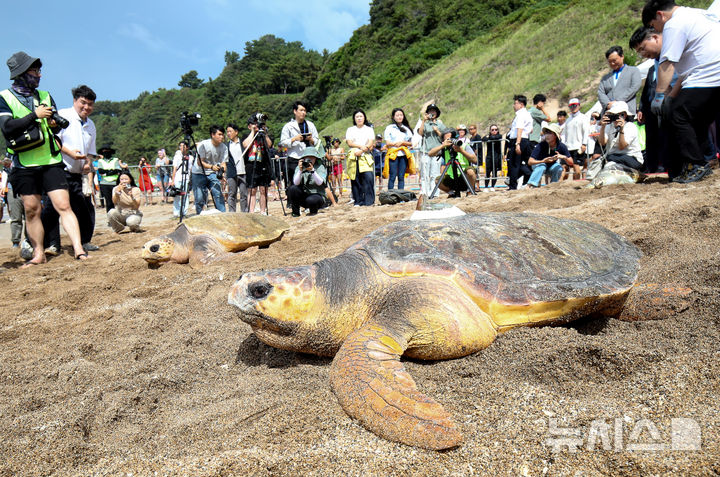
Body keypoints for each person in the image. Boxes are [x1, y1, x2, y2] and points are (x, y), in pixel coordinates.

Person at [0, 51, 88, 265]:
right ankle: (39, 254)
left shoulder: (46, 95)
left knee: (63, 205)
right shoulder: (5, 97)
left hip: (50, 160)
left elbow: (55, 129)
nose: (39, 75)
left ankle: (79, 249)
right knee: (32, 210)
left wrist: (53, 123)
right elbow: (7, 127)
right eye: (34, 71)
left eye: (39, 70)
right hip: (24, 163)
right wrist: (34, 116)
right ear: (21, 73)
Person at [642, 0, 720, 183]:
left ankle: (696, 165)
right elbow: (685, 70)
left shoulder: (673, 23)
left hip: (708, 75)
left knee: (678, 114)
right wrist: (671, 95)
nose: (657, 30)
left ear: (660, 15)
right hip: (711, 75)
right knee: (697, 121)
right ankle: (699, 163)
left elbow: (667, 63)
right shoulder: (698, 14)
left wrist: (659, 96)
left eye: (654, 26)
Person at [39, 84, 99, 254]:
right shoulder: (63, 116)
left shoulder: (91, 125)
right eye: (83, 103)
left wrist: (88, 163)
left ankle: (85, 240)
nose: (86, 107)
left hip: (78, 173)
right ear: (75, 100)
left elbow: (90, 151)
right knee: (53, 208)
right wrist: (70, 153)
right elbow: (54, 140)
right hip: (59, 169)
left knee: (85, 207)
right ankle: (51, 244)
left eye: (90, 104)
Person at [630, 25, 679, 175]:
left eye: (643, 49)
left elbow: (682, 76)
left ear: (655, 38)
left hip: (679, 97)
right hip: (658, 105)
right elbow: (646, 92)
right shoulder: (655, 63)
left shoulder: (672, 52)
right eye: (639, 52)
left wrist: (667, 97)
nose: (643, 54)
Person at [279, 101, 318, 208]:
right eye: (301, 110)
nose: (303, 113)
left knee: (307, 180)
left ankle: (306, 201)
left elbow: (317, 140)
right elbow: (283, 142)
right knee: (293, 181)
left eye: (305, 110)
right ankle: (291, 202)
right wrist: (294, 139)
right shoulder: (288, 126)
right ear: (295, 111)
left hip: (307, 156)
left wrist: (311, 139)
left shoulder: (310, 125)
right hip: (294, 157)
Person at [428, 127, 478, 197]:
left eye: (451, 139)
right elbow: (430, 153)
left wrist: (462, 151)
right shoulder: (444, 148)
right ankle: (452, 193)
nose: (450, 141)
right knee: (437, 181)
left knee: (470, 171)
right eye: (447, 139)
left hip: (464, 176)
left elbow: (475, 160)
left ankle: (470, 191)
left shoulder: (463, 145)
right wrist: (442, 146)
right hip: (452, 178)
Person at [596, 101, 645, 171]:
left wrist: (621, 130)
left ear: (624, 115)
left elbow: (622, 146)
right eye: (613, 114)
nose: (616, 117)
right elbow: (602, 143)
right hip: (613, 157)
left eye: (618, 114)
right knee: (604, 159)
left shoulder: (631, 127)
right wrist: (603, 127)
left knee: (609, 158)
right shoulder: (609, 126)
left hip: (632, 158)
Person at [598, 46, 642, 116]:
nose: (612, 63)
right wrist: (607, 104)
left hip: (626, 112)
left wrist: (617, 102)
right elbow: (601, 93)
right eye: (610, 62)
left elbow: (635, 87)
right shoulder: (605, 78)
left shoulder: (633, 71)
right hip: (609, 113)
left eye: (614, 60)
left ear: (622, 57)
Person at [243, 114, 273, 214]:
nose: (257, 125)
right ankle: (251, 211)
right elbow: (245, 144)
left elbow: (269, 145)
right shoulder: (247, 136)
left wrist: (265, 133)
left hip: (263, 163)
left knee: (263, 189)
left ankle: (263, 211)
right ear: (249, 126)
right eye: (254, 124)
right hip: (251, 165)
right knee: (252, 189)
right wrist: (253, 131)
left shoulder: (262, 135)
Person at [193, 125, 227, 214]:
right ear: (212, 135)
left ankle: (223, 214)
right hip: (198, 172)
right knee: (200, 197)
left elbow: (224, 163)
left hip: (212, 173)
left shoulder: (224, 147)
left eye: (222, 134)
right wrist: (212, 167)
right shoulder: (203, 145)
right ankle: (199, 216)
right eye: (219, 134)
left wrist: (222, 173)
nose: (221, 137)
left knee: (218, 194)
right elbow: (199, 162)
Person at [345, 109, 376, 206]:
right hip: (354, 155)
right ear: (354, 119)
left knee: (368, 177)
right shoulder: (350, 129)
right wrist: (359, 147)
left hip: (365, 154)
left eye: (361, 116)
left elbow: (370, 142)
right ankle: (358, 201)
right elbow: (349, 142)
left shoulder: (369, 129)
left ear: (364, 117)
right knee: (355, 178)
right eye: (357, 117)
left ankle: (369, 201)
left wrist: (363, 149)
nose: (359, 118)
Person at [288, 147, 329, 217]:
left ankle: (313, 211)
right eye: (307, 157)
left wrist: (313, 171)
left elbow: (320, 182)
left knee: (311, 200)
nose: (310, 160)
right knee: (292, 188)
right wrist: (300, 171)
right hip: (305, 194)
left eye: (312, 157)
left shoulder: (320, 167)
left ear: (316, 158)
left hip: (317, 195)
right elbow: (296, 183)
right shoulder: (300, 167)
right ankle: (295, 212)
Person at [417, 102, 446, 196]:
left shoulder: (440, 124)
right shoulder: (425, 123)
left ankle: (434, 192)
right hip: (425, 151)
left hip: (436, 152)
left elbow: (444, 136)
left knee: (435, 173)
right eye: (430, 111)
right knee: (425, 173)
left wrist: (437, 130)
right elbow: (420, 133)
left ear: (437, 113)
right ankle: (425, 192)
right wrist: (423, 121)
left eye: (433, 111)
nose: (432, 113)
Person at [383, 108, 414, 190]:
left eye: (401, 115)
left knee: (401, 176)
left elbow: (412, 142)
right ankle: (390, 193)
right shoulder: (389, 128)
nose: (399, 117)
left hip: (403, 154)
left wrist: (402, 143)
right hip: (393, 154)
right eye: (397, 115)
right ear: (393, 117)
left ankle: (401, 194)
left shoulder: (406, 128)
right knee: (392, 175)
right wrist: (397, 144)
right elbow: (388, 142)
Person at [507, 95, 533, 190]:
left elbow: (520, 129)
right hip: (524, 139)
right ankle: (527, 176)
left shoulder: (521, 115)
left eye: (515, 103)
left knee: (514, 164)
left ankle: (513, 186)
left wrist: (517, 143)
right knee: (522, 162)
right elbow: (531, 129)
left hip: (520, 139)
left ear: (521, 104)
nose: (514, 105)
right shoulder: (527, 114)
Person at [562, 98, 589, 179]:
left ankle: (576, 184)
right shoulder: (568, 120)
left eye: (575, 105)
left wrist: (584, 144)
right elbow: (565, 134)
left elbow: (586, 132)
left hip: (578, 146)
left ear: (579, 106)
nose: (573, 107)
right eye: (571, 106)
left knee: (576, 167)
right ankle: (560, 185)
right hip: (568, 147)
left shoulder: (583, 117)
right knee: (564, 167)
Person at [96, 145, 127, 213]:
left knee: (118, 200)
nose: (106, 152)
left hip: (114, 183)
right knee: (109, 202)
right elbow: (101, 171)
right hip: (104, 184)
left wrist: (106, 172)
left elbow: (117, 170)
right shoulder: (100, 161)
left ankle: (120, 216)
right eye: (104, 151)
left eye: (107, 151)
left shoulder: (115, 160)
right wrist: (111, 171)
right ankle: (110, 218)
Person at [225, 123, 248, 213]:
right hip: (231, 173)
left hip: (243, 172)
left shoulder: (242, 143)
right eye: (227, 132)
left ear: (236, 132)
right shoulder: (226, 146)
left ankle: (244, 212)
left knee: (244, 194)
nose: (228, 133)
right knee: (232, 194)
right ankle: (232, 213)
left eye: (230, 131)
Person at [170, 141, 193, 218]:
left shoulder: (191, 158)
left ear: (187, 147)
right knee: (177, 196)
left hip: (186, 178)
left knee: (185, 196)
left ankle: (184, 212)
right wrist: (172, 180)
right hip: (178, 178)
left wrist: (190, 179)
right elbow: (174, 169)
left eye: (183, 146)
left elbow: (190, 169)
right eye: (180, 146)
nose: (181, 148)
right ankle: (176, 213)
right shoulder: (177, 157)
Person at [482, 125, 504, 190]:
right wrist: (489, 137)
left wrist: (489, 137)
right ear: (490, 131)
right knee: (488, 172)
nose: (494, 131)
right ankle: (486, 187)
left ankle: (492, 186)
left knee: (494, 172)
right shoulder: (488, 136)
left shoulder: (499, 136)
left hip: (497, 156)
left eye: (496, 129)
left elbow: (495, 138)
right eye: (492, 130)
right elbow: (483, 139)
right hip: (489, 156)